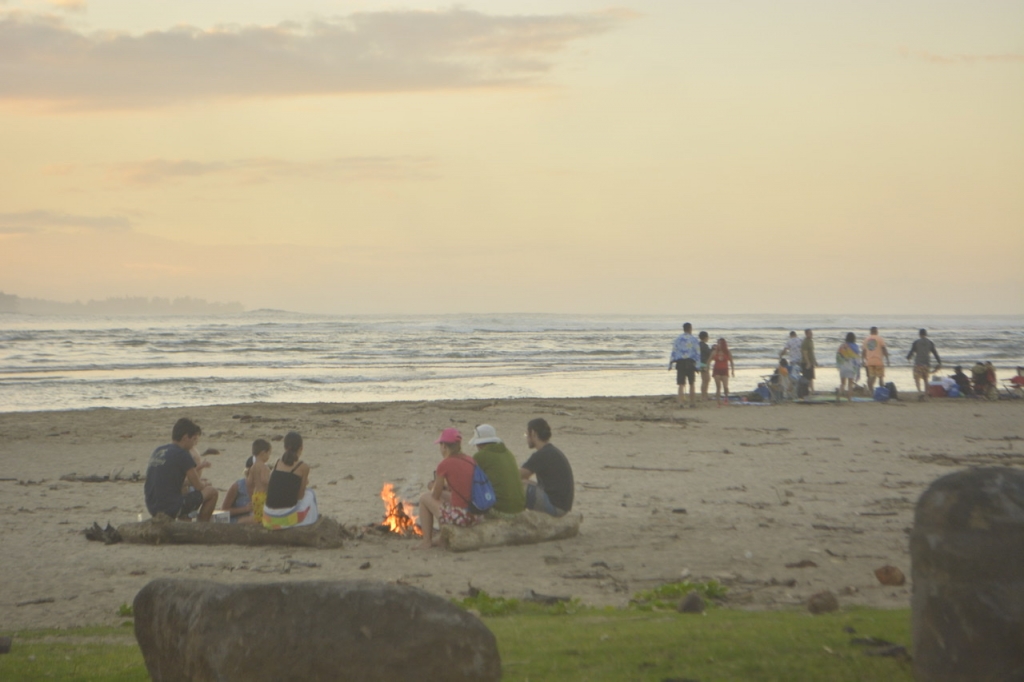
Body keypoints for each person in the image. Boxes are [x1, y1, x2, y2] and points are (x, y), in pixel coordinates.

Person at [143, 418, 218, 521]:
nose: (194, 444)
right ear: (186, 437)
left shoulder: (158, 450)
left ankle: (185, 525)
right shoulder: (183, 454)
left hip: (152, 506)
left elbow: (170, 482)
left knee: (184, 490)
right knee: (212, 492)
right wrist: (205, 484)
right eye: (193, 439)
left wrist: (188, 483)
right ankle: (201, 528)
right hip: (169, 508)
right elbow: (198, 486)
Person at [417, 428, 480, 549]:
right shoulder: (470, 460)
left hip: (462, 517)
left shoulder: (444, 464)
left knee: (424, 498)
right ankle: (442, 538)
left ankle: (426, 541)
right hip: (476, 514)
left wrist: (433, 486)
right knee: (444, 498)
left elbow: (435, 495)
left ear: (444, 446)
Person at [262, 431, 318, 529]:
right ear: (301, 448)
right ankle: (311, 523)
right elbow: (300, 496)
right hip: (286, 518)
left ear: (285, 447)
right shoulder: (303, 467)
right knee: (310, 493)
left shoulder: (277, 462)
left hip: (268, 517)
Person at [520, 418, 574, 516]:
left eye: (526, 434)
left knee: (519, 486)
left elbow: (518, 475)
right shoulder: (551, 451)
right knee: (524, 483)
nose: (526, 438)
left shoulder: (541, 454)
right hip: (563, 506)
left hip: (555, 508)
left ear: (533, 433)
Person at [469, 424, 525, 518]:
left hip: (500, 510)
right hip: (520, 509)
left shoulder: (480, 456)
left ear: (479, 444)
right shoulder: (508, 453)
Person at [669, 322, 700, 407]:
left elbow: (674, 352)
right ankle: (692, 403)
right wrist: (698, 366)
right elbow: (697, 353)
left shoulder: (678, 339)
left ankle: (680, 403)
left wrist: (670, 363)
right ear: (690, 328)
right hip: (690, 362)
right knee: (692, 383)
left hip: (681, 363)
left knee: (681, 384)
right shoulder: (694, 339)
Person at [245, 438, 272, 526]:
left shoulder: (252, 467)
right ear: (263, 453)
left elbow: (249, 483)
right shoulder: (264, 467)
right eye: (269, 453)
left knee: (257, 518)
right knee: (265, 518)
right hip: (263, 496)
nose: (269, 456)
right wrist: (272, 483)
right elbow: (264, 480)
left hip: (255, 496)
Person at [222, 455, 255, 524]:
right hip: (237, 521)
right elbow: (224, 511)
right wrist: (245, 509)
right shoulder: (237, 487)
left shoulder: (265, 486)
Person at [907, 328, 941, 394]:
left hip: (918, 363)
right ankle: (926, 393)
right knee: (925, 379)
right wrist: (939, 362)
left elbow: (911, 352)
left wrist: (908, 357)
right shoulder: (930, 343)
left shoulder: (916, 342)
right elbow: (935, 353)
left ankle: (919, 391)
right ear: (926, 334)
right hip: (927, 363)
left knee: (917, 378)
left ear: (919, 334)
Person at [861, 326, 891, 392]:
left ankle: (871, 391)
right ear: (876, 331)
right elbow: (884, 349)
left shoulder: (866, 340)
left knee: (870, 377)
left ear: (870, 331)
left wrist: (862, 361)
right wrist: (887, 359)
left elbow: (863, 351)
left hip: (869, 361)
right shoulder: (880, 339)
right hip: (878, 361)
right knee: (880, 377)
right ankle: (882, 391)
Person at [836, 332, 861, 401]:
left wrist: (838, 365)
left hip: (843, 367)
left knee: (842, 383)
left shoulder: (842, 346)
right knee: (850, 384)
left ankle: (839, 394)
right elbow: (857, 358)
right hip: (851, 367)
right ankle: (849, 399)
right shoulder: (855, 347)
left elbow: (838, 356)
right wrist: (858, 368)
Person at [801, 329, 819, 394]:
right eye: (810, 333)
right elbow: (804, 353)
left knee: (811, 377)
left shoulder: (811, 341)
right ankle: (807, 391)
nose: (811, 334)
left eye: (811, 333)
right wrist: (808, 362)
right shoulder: (805, 342)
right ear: (806, 334)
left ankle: (812, 391)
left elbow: (812, 352)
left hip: (811, 362)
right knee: (807, 378)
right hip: (805, 363)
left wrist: (815, 361)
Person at [698, 331, 713, 401]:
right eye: (707, 337)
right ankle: (704, 396)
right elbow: (709, 353)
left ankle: (704, 395)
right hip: (703, 363)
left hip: (700, 363)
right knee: (706, 380)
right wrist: (713, 349)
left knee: (705, 380)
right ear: (705, 337)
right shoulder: (704, 345)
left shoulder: (699, 344)